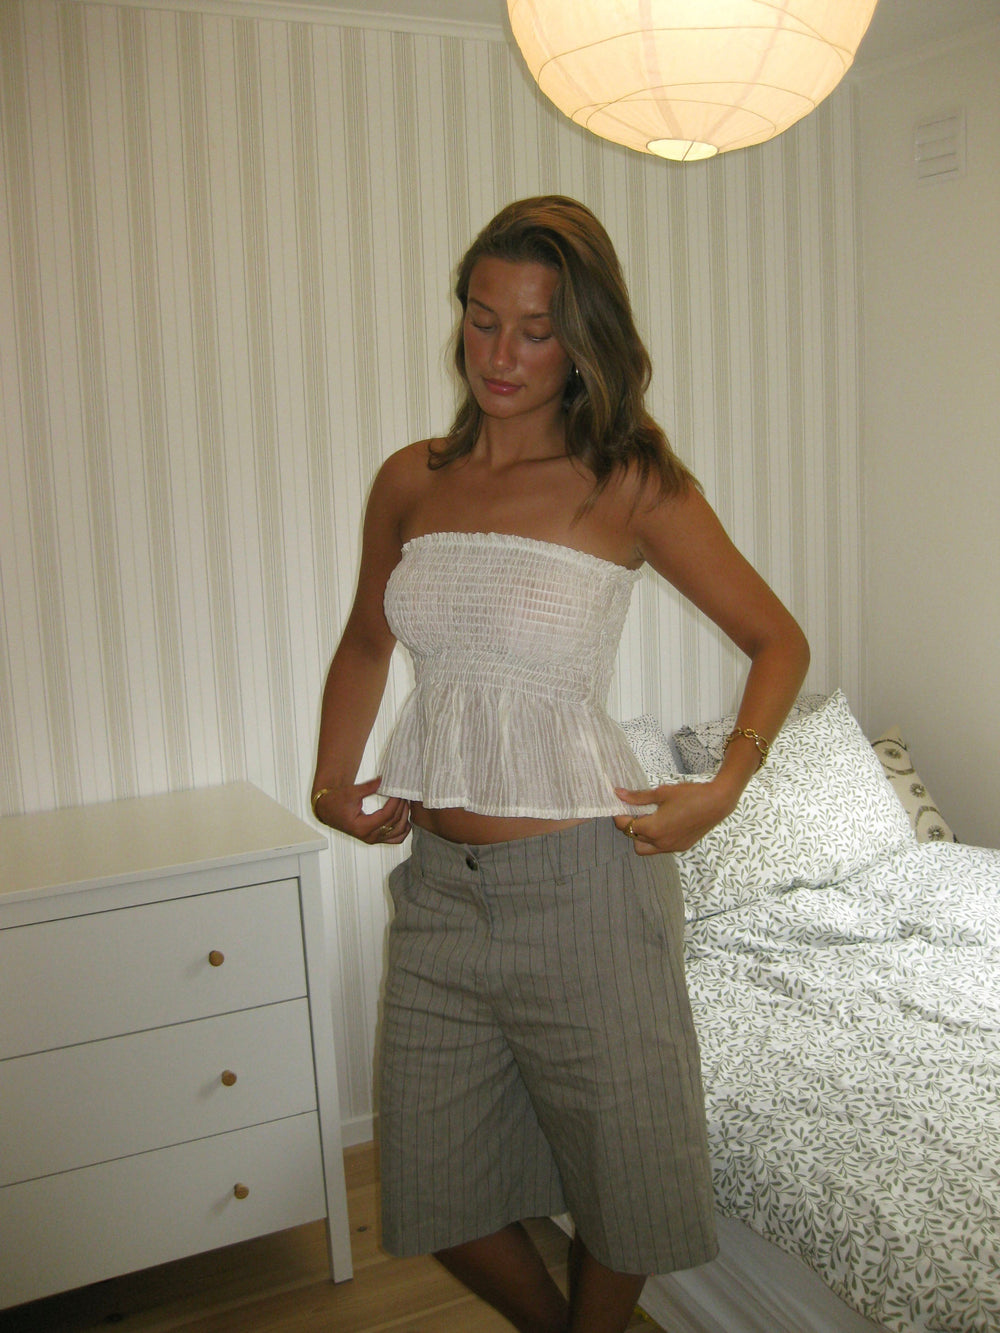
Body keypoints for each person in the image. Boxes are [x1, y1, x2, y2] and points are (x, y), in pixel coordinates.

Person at [311, 195, 810, 1333]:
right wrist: (332, 782)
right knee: (433, 1185)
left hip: (588, 884)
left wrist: (724, 785)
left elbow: (777, 639)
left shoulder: (626, 480)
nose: (500, 354)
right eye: (482, 320)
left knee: (627, 1180)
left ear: (580, 338)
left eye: (534, 329)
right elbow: (364, 641)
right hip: (440, 893)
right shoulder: (410, 479)